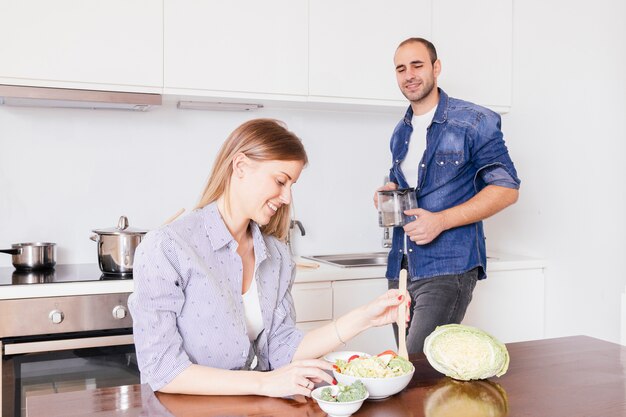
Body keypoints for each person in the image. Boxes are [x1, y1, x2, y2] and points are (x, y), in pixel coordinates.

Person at [129, 118, 407, 398]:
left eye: (291, 185)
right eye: (280, 181)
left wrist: (365, 318)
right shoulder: (168, 247)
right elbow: (162, 369)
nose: (287, 197)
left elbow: (282, 348)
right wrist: (265, 383)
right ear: (240, 167)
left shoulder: (276, 256)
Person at [374, 38, 520, 354]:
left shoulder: (474, 121)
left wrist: (440, 221)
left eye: (417, 65)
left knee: (417, 366)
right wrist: (391, 195)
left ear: (436, 68)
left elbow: (507, 188)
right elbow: (417, 188)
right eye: (401, 68)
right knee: (404, 365)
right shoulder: (401, 131)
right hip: (401, 267)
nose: (409, 75)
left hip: (448, 266)